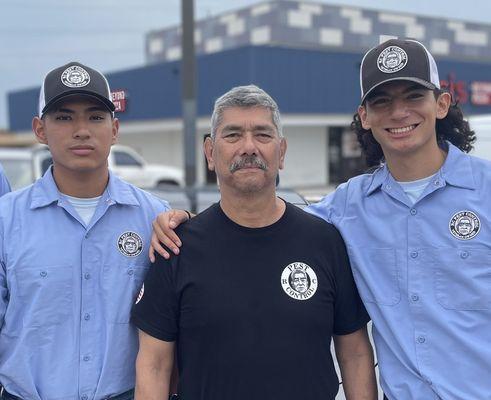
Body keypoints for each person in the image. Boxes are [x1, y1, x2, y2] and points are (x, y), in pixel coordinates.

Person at [150, 38, 491, 400]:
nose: (398, 112)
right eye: (382, 101)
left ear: (441, 104)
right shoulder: (348, 206)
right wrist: (188, 221)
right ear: (364, 116)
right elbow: (260, 218)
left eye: (413, 97)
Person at [132, 85, 377, 400]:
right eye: (233, 135)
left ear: (282, 152)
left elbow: (355, 353)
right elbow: (154, 366)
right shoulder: (176, 249)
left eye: (262, 135)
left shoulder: (324, 241)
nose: (248, 147)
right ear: (210, 152)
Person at [0, 62, 169, 400]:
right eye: (63, 117)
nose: (81, 130)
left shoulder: (155, 218)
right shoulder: (6, 220)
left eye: (95, 117)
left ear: (115, 129)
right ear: (39, 130)